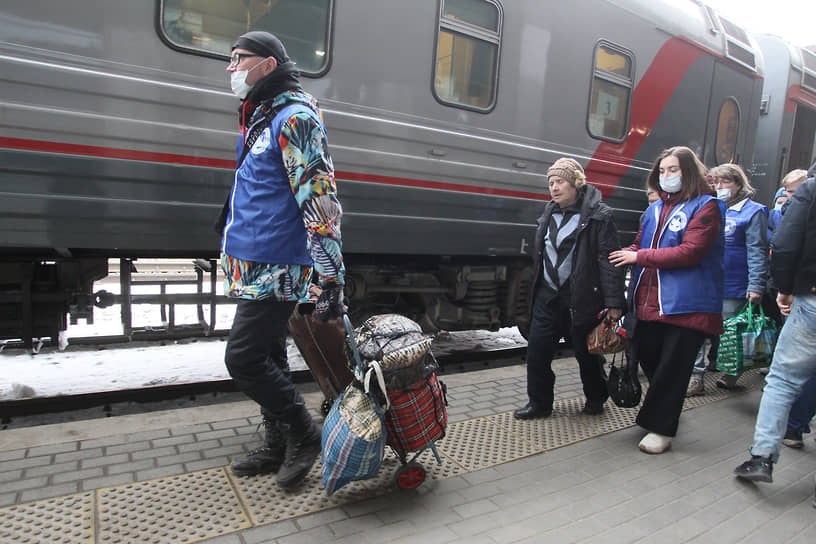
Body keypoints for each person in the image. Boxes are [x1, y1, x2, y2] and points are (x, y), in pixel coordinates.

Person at [219, 31, 345, 490]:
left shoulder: (294, 119)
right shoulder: (261, 115)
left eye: (239, 60)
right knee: (269, 352)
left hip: (278, 262)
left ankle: (303, 433)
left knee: (244, 358)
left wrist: (330, 276)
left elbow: (320, 199)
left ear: (267, 65)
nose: (231, 68)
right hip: (253, 258)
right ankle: (276, 444)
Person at [609, 146, 725, 454]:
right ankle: (664, 412)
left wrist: (639, 256)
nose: (666, 176)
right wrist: (623, 254)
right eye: (662, 171)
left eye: (673, 170)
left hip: (688, 304)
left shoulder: (707, 207)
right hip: (649, 302)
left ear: (688, 172)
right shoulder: (653, 209)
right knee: (652, 360)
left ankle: (661, 426)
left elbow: (691, 251)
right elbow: (640, 243)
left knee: (673, 368)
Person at [514, 158, 626, 420]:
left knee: (587, 354)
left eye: (560, 181)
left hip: (581, 298)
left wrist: (613, 302)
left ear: (576, 182)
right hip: (547, 296)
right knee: (537, 353)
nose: (554, 187)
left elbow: (610, 260)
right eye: (551, 182)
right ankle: (539, 404)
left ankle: (596, 397)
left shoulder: (599, 216)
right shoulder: (548, 214)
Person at [733, 175, 816, 487]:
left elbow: (784, 242)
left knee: (782, 380)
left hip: (811, 298)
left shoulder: (811, 188)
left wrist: (785, 287)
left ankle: (762, 458)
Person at [686, 163, 768, 395]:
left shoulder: (753, 211)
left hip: (734, 284)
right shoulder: (707, 207)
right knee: (697, 331)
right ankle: (695, 377)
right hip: (705, 281)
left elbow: (757, 250)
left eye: (725, 182)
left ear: (738, 184)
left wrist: (756, 284)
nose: (719, 186)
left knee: (729, 333)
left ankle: (732, 373)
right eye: (716, 182)